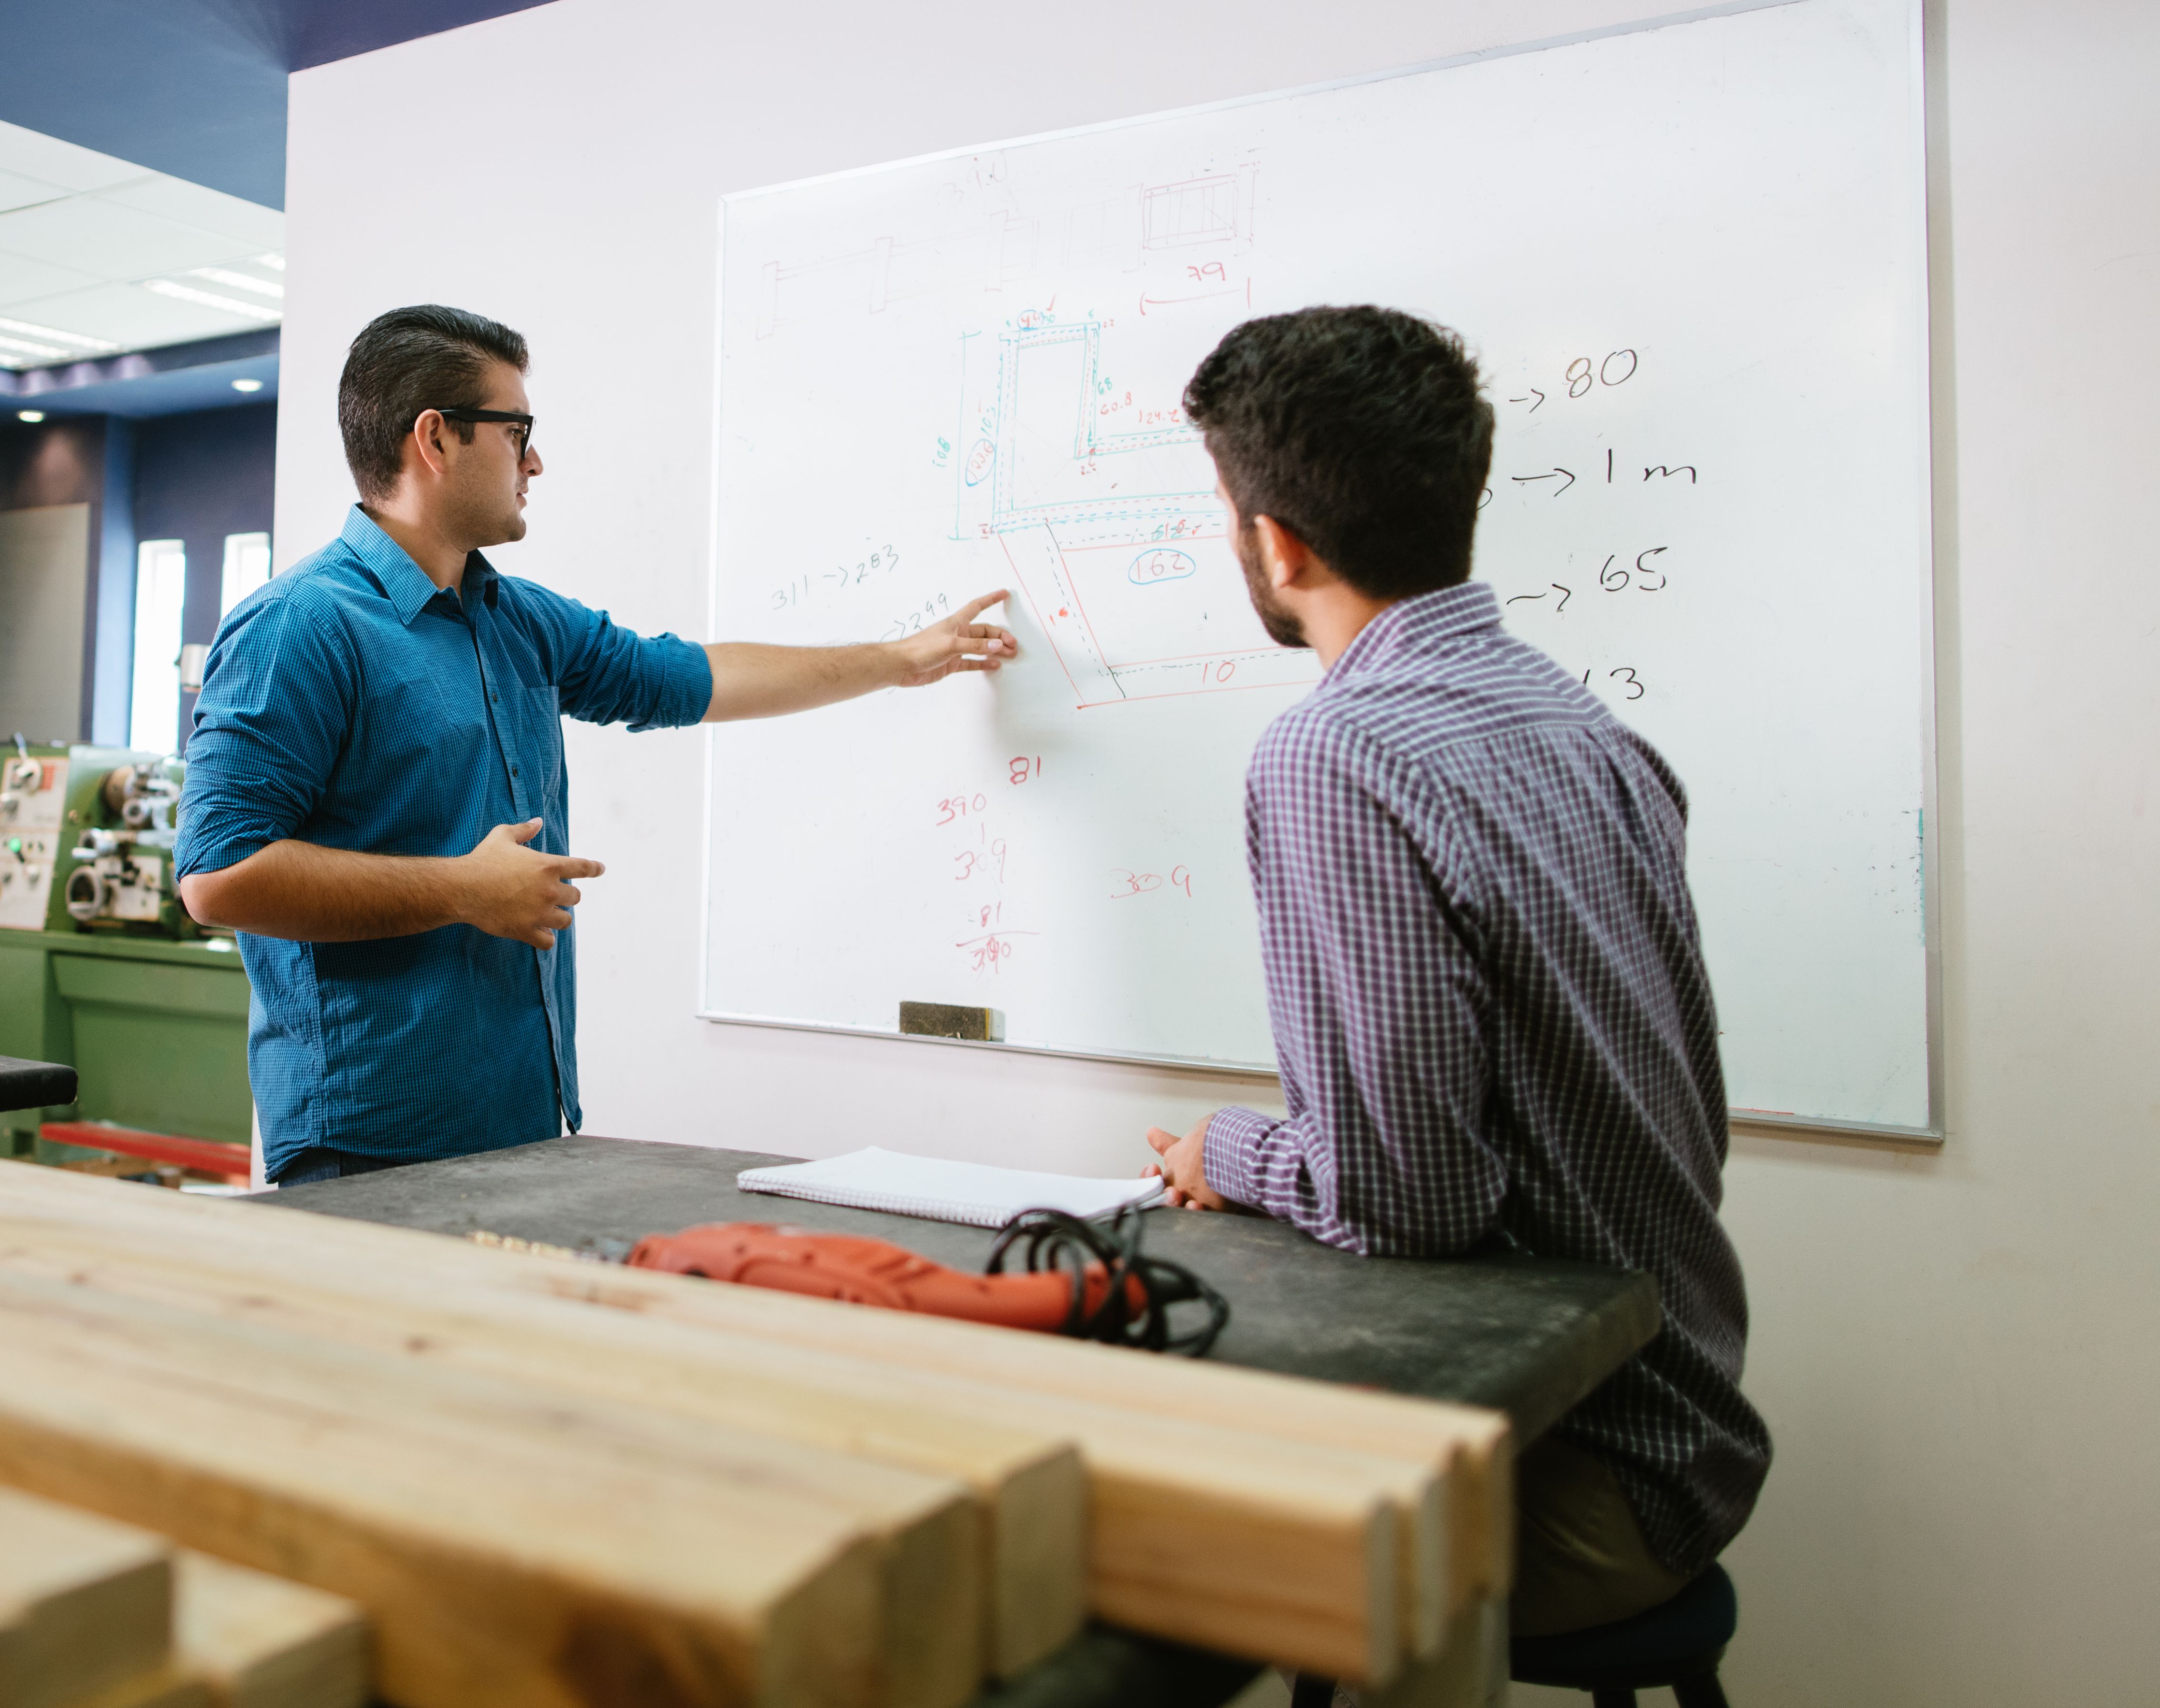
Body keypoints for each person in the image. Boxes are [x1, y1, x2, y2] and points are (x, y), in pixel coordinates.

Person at [1136, 304, 1769, 1638]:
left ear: (1276, 541)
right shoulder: (1586, 725)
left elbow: (1406, 1198)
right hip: (1690, 1430)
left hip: (1572, 1474)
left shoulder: (1337, 753)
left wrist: (1231, 1149)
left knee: (1099, 1516)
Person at [177, 303, 1018, 1187]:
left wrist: (899, 660)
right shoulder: (298, 627)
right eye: (517, 431)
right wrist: (462, 890)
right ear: (436, 439)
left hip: (524, 1124)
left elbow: (692, 678)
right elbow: (218, 878)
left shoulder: (515, 619)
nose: (534, 459)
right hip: (366, 1143)